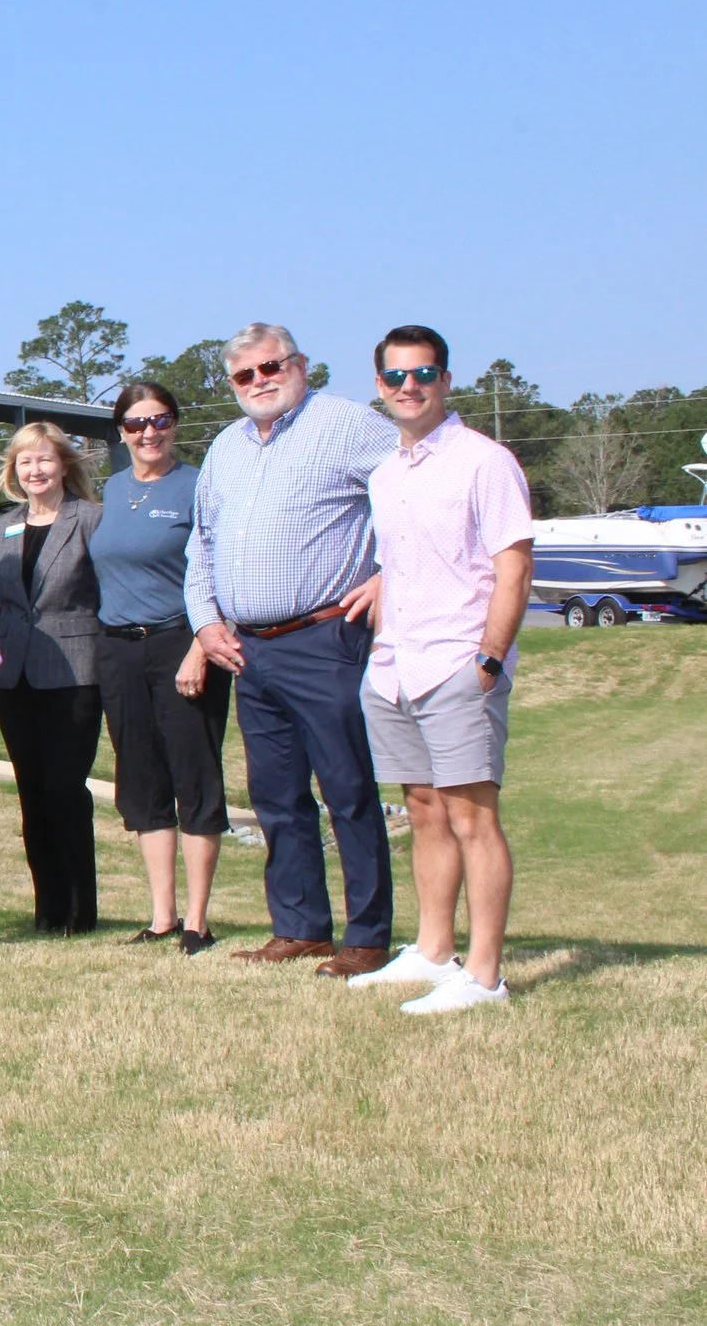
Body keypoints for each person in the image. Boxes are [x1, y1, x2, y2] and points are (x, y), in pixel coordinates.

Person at [186, 322, 402, 976]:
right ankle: (300, 926)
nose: (260, 381)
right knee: (277, 795)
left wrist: (393, 572)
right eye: (245, 375)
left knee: (348, 790)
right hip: (249, 649)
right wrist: (203, 621)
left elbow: (420, 487)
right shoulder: (225, 447)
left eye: (271, 366)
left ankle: (366, 936)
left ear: (301, 364)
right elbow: (203, 544)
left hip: (325, 637)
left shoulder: (347, 424)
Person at [346, 326, 533, 1013]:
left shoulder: (484, 461)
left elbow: (514, 565)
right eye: (395, 376)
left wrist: (488, 658)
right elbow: (394, 565)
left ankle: (484, 976)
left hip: (458, 660)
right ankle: (432, 951)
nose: (409, 387)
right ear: (380, 386)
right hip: (395, 665)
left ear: (446, 380)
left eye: (423, 373)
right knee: (423, 809)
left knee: (471, 815)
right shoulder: (387, 472)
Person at [94, 383, 232, 955]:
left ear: (174, 424)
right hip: (120, 650)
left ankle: (199, 921)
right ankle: (161, 917)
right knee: (143, 782)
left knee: (193, 777)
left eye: (160, 420)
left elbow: (221, 568)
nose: (148, 433)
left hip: (182, 641)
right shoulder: (113, 487)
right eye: (135, 423)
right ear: (121, 430)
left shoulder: (199, 486)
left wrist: (201, 646)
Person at [0, 422, 105, 935]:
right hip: (16, 674)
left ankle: (80, 911)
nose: (34, 470)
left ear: (64, 465)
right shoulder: (2, 526)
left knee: (65, 789)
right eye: (24, 462)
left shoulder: (91, 520)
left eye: (44, 460)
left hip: (74, 671)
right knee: (32, 795)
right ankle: (47, 908)